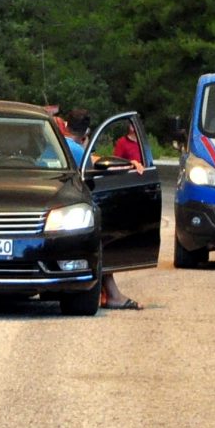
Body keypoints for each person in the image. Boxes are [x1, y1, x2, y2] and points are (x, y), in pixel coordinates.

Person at [67, 109, 142, 310]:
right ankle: (111, 294)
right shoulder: (78, 151)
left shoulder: (56, 146)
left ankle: (109, 292)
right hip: (74, 208)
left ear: (66, 125)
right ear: (87, 132)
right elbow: (99, 166)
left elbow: (96, 158)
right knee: (100, 239)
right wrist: (131, 166)